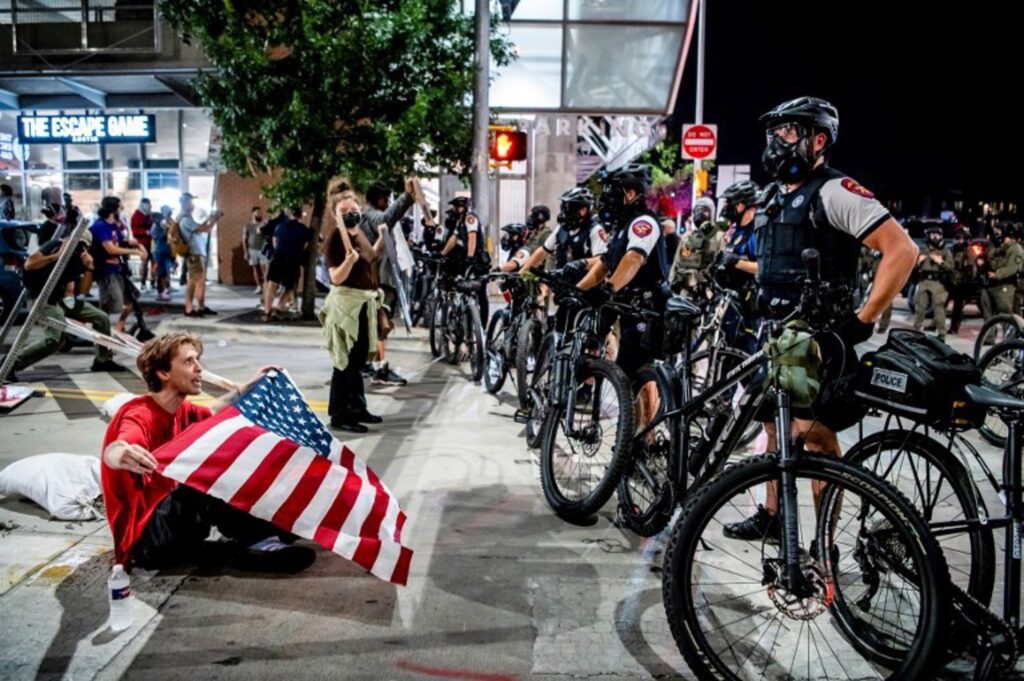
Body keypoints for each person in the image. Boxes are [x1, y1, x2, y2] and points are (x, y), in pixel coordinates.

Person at [721, 96, 918, 540]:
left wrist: (862, 322)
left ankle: (823, 543)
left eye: (789, 132)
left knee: (814, 435)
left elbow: (902, 251)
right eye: (774, 133)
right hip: (774, 335)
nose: (777, 141)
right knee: (773, 422)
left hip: (817, 340)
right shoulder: (772, 197)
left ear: (819, 140)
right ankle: (771, 516)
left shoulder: (835, 191)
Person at [101, 333, 316, 572]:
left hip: (179, 528)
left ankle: (264, 534)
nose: (199, 368)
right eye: (188, 362)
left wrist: (248, 387)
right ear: (163, 373)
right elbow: (118, 447)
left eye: (197, 360)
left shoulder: (180, 409)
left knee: (234, 449)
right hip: (147, 541)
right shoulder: (140, 413)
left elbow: (214, 411)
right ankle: (259, 544)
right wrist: (121, 454)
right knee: (201, 474)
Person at [576, 163, 669, 380]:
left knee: (638, 375)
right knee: (621, 369)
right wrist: (579, 291)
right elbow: (606, 263)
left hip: (647, 308)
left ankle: (645, 416)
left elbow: (634, 258)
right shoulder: (623, 226)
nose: (607, 198)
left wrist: (608, 289)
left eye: (613, 192)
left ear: (631, 193)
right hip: (626, 303)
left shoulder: (644, 222)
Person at [320, 179, 391, 433]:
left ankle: (358, 408)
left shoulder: (357, 232)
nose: (352, 214)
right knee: (345, 362)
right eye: (345, 212)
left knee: (359, 359)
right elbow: (335, 277)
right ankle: (340, 415)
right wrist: (349, 261)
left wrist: (381, 241)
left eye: (354, 209)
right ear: (335, 214)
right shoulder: (335, 240)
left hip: (364, 304)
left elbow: (370, 257)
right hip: (346, 307)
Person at [6, 230, 126, 380]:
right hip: (42, 299)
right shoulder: (55, 246)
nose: (78, 248)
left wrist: (88, 267)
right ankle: (11, 364)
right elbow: (29, 265)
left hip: (60, 299)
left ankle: (102, 360)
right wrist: (56, 256)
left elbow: (81, 290)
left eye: (83, 247)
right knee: (55, 340)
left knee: (101, 318)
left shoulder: (76, 259)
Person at [359, 179, 416, 386]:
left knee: (374, 325)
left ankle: (371, 364)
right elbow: (387, 218)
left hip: (374, 279)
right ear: (380, 199)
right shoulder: (372, 215)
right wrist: (407, 197)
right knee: (380, 325)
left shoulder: (364, 217)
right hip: (378, 281)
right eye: (387, 198)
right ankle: (379, 367)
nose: (388, 202)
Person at [90, 205, 146, 334]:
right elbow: (111, 248)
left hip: (117, 269)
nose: (121, 211)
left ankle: (119, 326)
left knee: (133, 298)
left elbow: (121, 243)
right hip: (105, 270)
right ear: (112, 211)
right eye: (120, 208)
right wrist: (135, 251)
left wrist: (136, 244)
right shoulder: (101, 226)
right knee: (111, 305)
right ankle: (100, 333)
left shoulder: (113, 226)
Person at [177, 193, 223, 317]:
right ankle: (193, 308)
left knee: (194, 281)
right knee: (198, 282)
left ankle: (196, 307)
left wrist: (210, 218)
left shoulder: (185, 218)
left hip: (195, 254)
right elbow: (206, 229)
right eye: (191, 202)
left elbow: (201, 226)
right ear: (185, 203)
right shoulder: (185, 220)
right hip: (195, 254)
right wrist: (215, 219)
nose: (193, 204)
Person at [262, 207, 312, 321]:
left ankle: (267, 311)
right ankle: (279, 306)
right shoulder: (304, 229)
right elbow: (305, 246)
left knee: (272, 284)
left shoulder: (280, 226)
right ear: (300, 216)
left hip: (278, 257)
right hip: (293, 260)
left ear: (290, 215)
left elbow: (275, 242)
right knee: (290, 286)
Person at [670, 196, 722, 296]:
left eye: (704, 210)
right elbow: (677, 262)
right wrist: (672, 282)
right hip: (685, 290)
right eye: (697, 210)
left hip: (707, 291)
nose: (700, 214)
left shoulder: (718, 237)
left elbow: (720, 264)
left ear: (712, 213)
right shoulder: (687, 237)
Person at [912, 226, 953, 341]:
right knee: (920, 307)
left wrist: (941, 262)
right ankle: (915, 331)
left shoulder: (945, 251)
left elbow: (950, 267)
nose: (935, 237)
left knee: (938, 308)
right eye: (932, 234)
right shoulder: (924, 250)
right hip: (924, 281)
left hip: (937, 282)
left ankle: (941, 333)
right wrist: (919, 262)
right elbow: (914, 265)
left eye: (937, 235)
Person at [980, 221, 1024, 324]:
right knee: (988, 315)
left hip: (1004, 285)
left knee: (1006, 316)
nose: (996, 233)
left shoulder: (1015, 248)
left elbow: (1012, 268)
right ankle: (988, 339)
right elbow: (987, 258)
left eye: (999, 231)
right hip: (989, 284)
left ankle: (1010, 338)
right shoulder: (994, 246)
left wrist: (997, 274)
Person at [947, 226, 974, 334]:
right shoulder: (951, 250)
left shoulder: (968, 252)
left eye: (962, 239)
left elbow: (969, 269)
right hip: (951, 281)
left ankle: (954, 328)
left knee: (958, 308)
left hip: (961, 283)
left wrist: (965, 282)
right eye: (957, 239)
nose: (959, 241)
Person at [150, 205, 175, 302]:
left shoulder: (160, 227)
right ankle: (161, 292)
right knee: (161, 273)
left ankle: (165, 289)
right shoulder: (156, 229)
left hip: (165, 252)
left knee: (166, 273)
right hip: (160, 253)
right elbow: (165, 234)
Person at [242, 206, 269, 295]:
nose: (259, 214)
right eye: (257, 213)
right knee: (255, 268)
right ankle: (258, 286)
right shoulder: (248, 226)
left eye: (260, 213)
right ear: (253, 213)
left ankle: (266, 287)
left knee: (264, 269)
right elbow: (244, 239)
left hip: (263, 249)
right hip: (252, 250)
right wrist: (245, 252)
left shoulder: (264, 224)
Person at [130, 198, 153, 290]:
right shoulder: (136, 216)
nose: (149, 207)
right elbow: (134, 230)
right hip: (142, 243)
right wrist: (145, 232)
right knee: (144, 262)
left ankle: (152, 282)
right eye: (147, 205)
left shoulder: (150, 215)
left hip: (151, 242)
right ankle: (143, 282)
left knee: (154, 263)